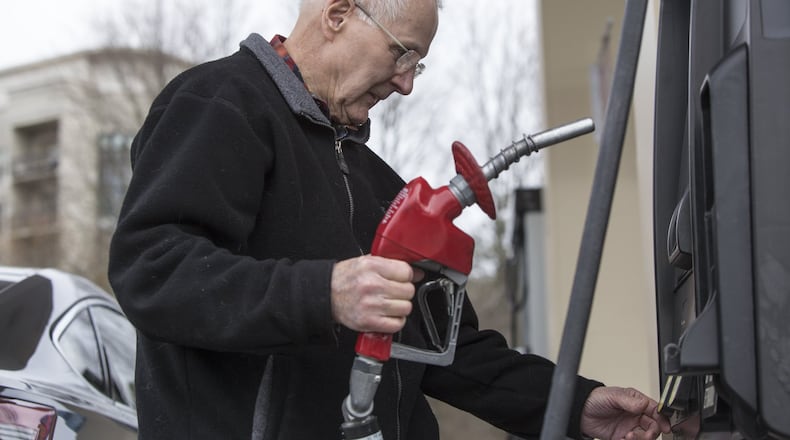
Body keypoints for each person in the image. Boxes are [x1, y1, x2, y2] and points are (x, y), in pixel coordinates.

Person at [108, 0, 672, 439]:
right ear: (337, 14)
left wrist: (574, 405)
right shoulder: (221, 104)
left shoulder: (378, 181)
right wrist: (324, 293)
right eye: (401, 53)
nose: (405, 81)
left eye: (417, 65)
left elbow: (446, 348)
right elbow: (153, 269)